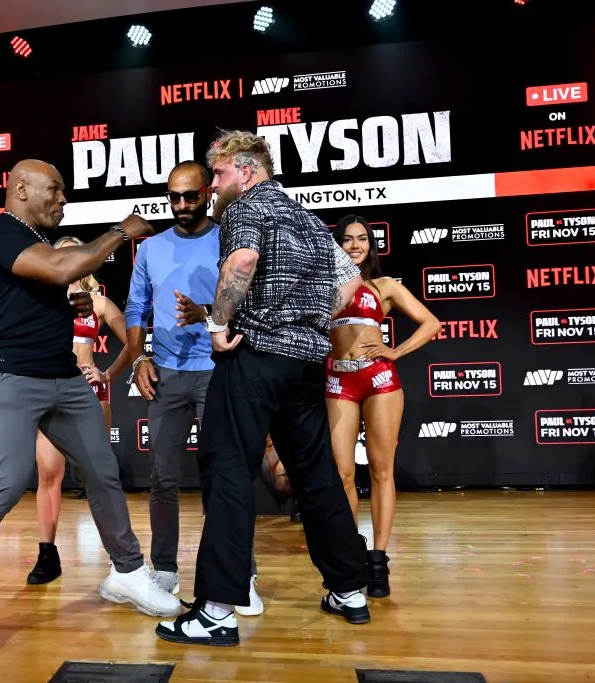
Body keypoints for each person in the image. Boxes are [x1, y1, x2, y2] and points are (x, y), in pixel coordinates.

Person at [0, 159, 181, 659]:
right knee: (8, 477)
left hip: (63, 375)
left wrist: (71, 306)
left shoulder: (31, 242)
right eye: (55, 189)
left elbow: (47, 285)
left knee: (102, 471)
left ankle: (127, 571)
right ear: (20, 188)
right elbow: (63, 266)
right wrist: (120, 232)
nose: (64, 199)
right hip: (11, 374)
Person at [154, 131, 371, 648]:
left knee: (228, 472)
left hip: (255, 359)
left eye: (221, 174)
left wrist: (219, 324)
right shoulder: (310, 222)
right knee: (316, 476)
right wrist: (306, 320)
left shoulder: (248, 207)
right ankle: (349, 590)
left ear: (245, 170)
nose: (216, 186)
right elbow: (349, 286)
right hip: (304, 363)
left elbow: (242, 263)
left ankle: (216, 612)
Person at [124, 160, 263, 615]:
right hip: (166, 372)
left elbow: (248, 301)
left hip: (218, 369)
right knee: (162, 478)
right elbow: (134, 309)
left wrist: (206, 312)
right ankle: (163, 569)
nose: (181, 205)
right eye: (174, 198)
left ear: (208, 192)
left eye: (190, 196)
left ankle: (240, 574)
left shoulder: (229, 237)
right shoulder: (151, 248)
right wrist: (140, 357)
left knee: (226, 477)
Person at [327, 214, 440, 598]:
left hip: (379, 380)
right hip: (337, 379)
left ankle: (378, 559)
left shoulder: (384, 286)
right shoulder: (323, 285)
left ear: (371, 246)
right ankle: (349, 552)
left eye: (362, 239)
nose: (355, 246)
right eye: (347, 239)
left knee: (380, 470)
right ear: (337, 245)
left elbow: (430, 323)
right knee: (341, 474)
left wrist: (395, 351)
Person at [27, 235, 133, 585]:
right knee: (48, 474)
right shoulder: (37, 301)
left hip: (88, 393)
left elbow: (134, 343)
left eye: (72, 252)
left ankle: (119, 556)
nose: (65, 258)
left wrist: (107, 373)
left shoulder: (98, 303)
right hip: (49, 393)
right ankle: (47, 555)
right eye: (58, 253)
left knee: (97, 478)